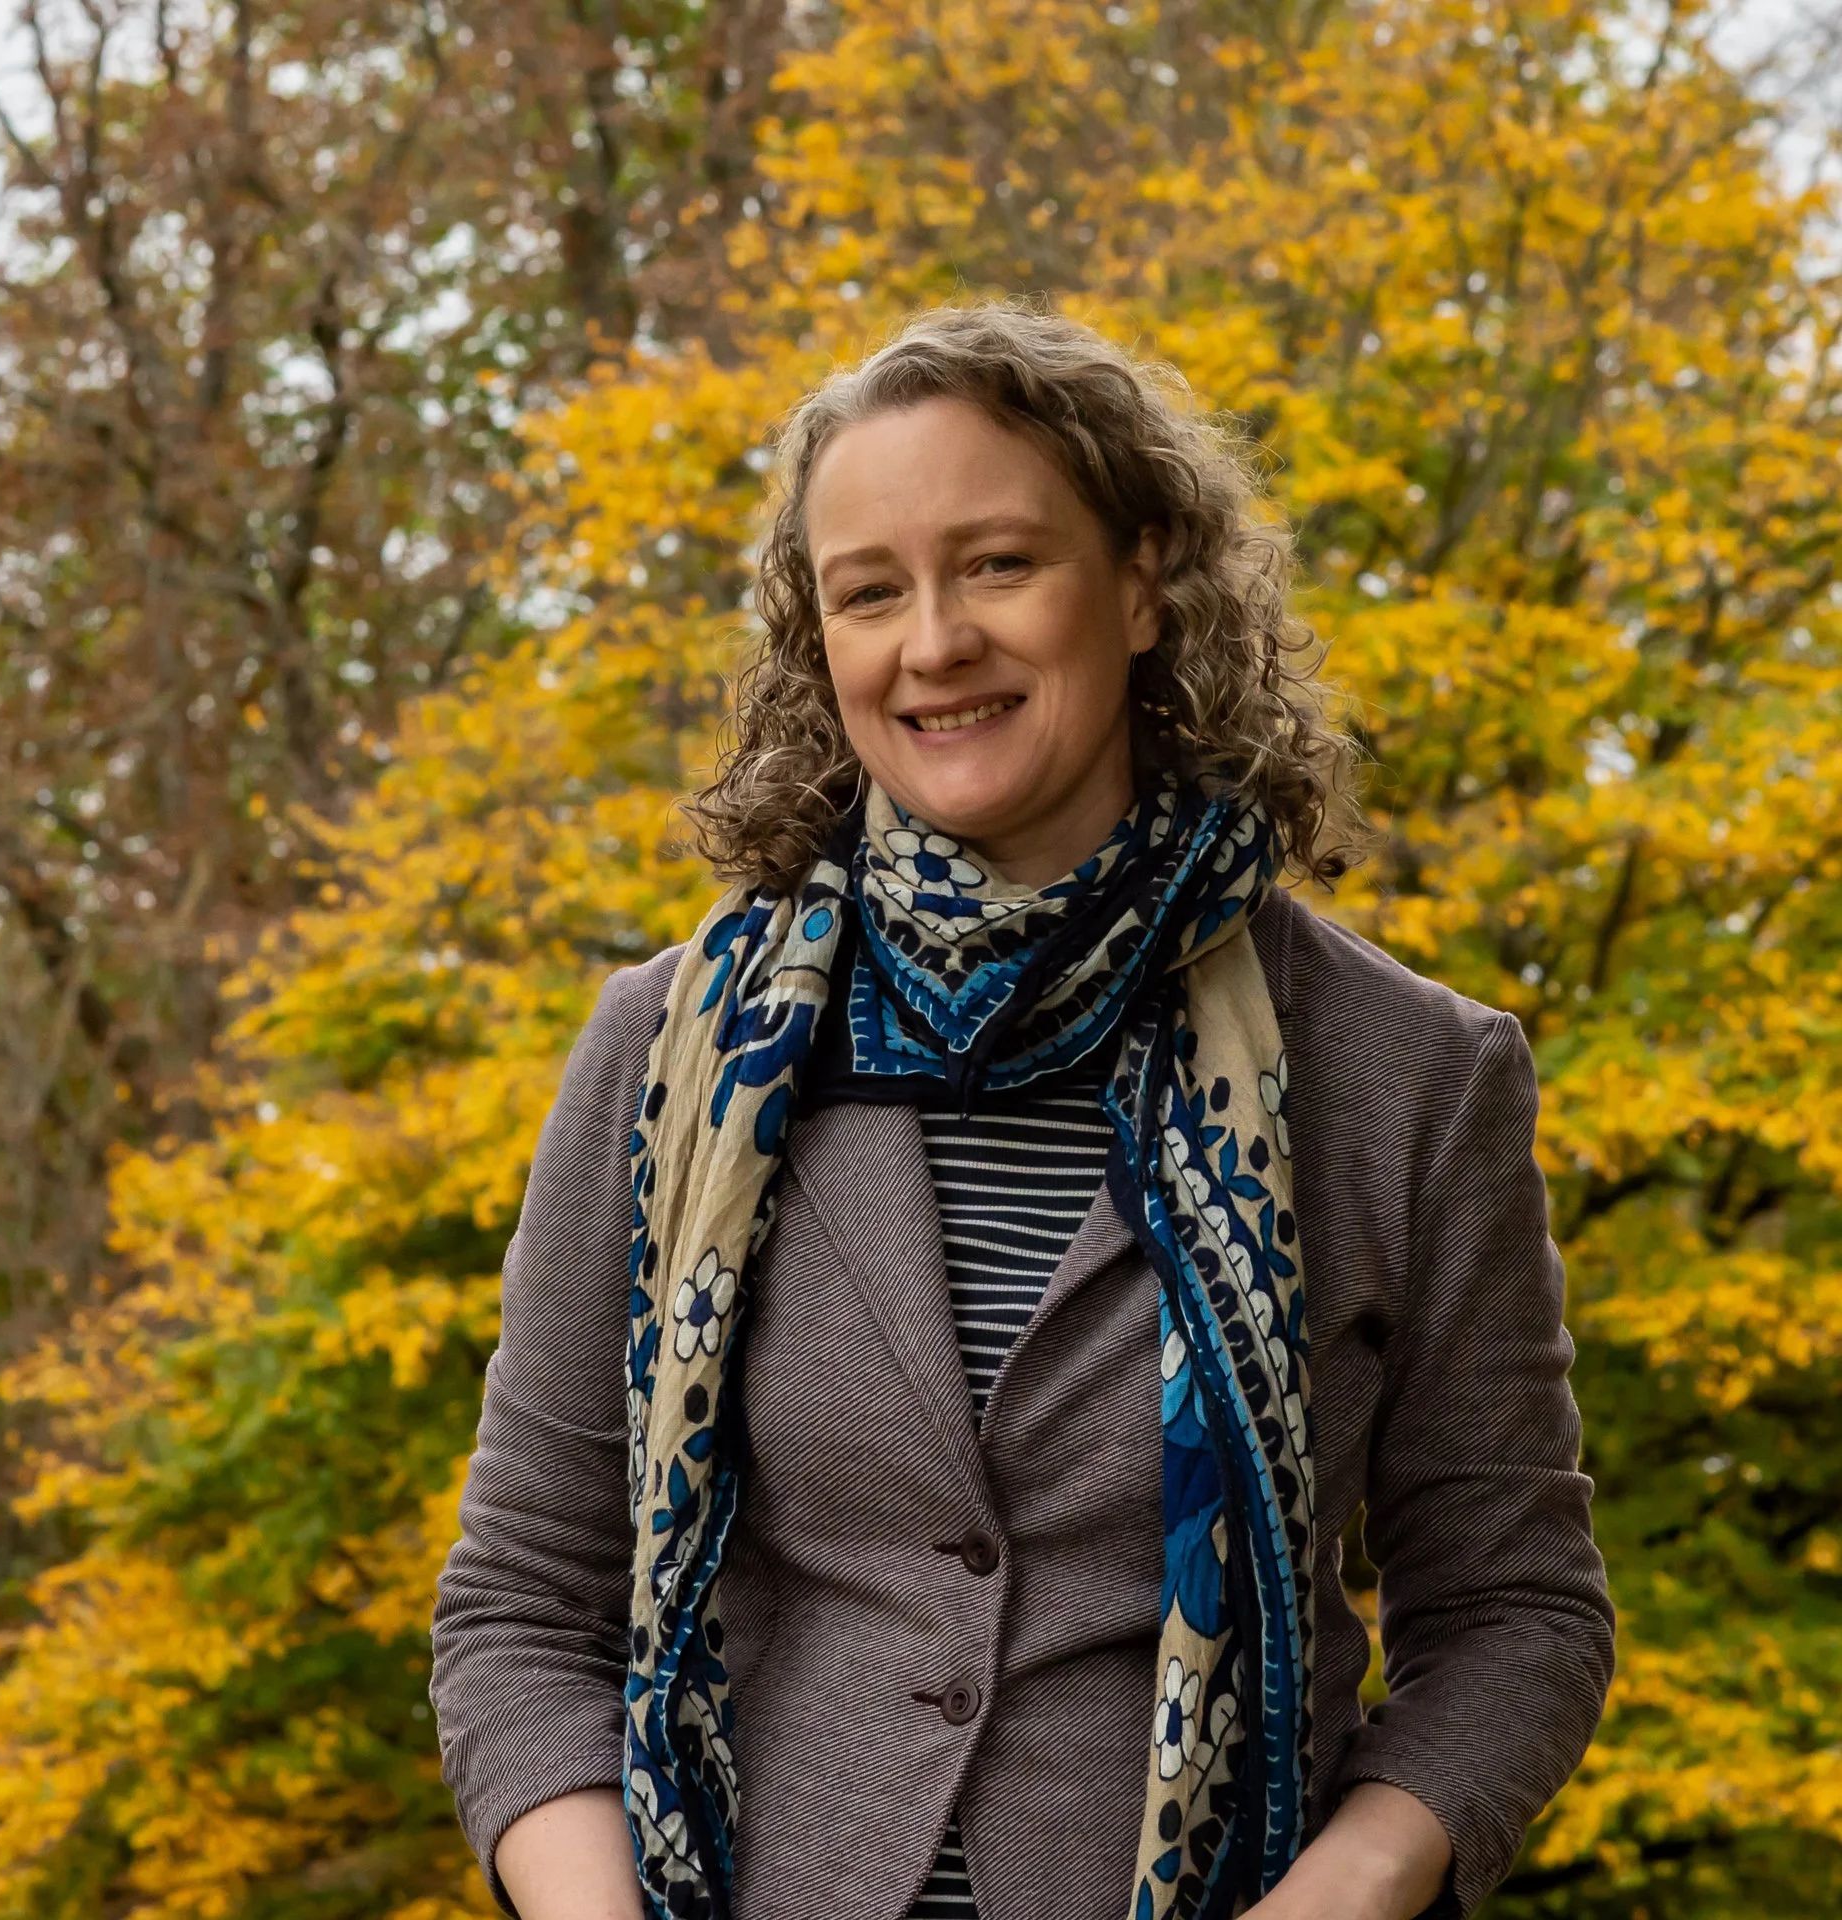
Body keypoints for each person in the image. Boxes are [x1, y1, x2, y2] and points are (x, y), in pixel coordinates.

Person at [429, 303, 1614, 1920]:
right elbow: (520, 1600)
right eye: (869, 592)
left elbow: (1516, 1611)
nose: (933, 643)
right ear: (818, 641)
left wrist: (1333, 1905)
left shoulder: (1405, 1071)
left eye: (997, 564)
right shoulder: (668, 1053)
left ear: (1140, 583)